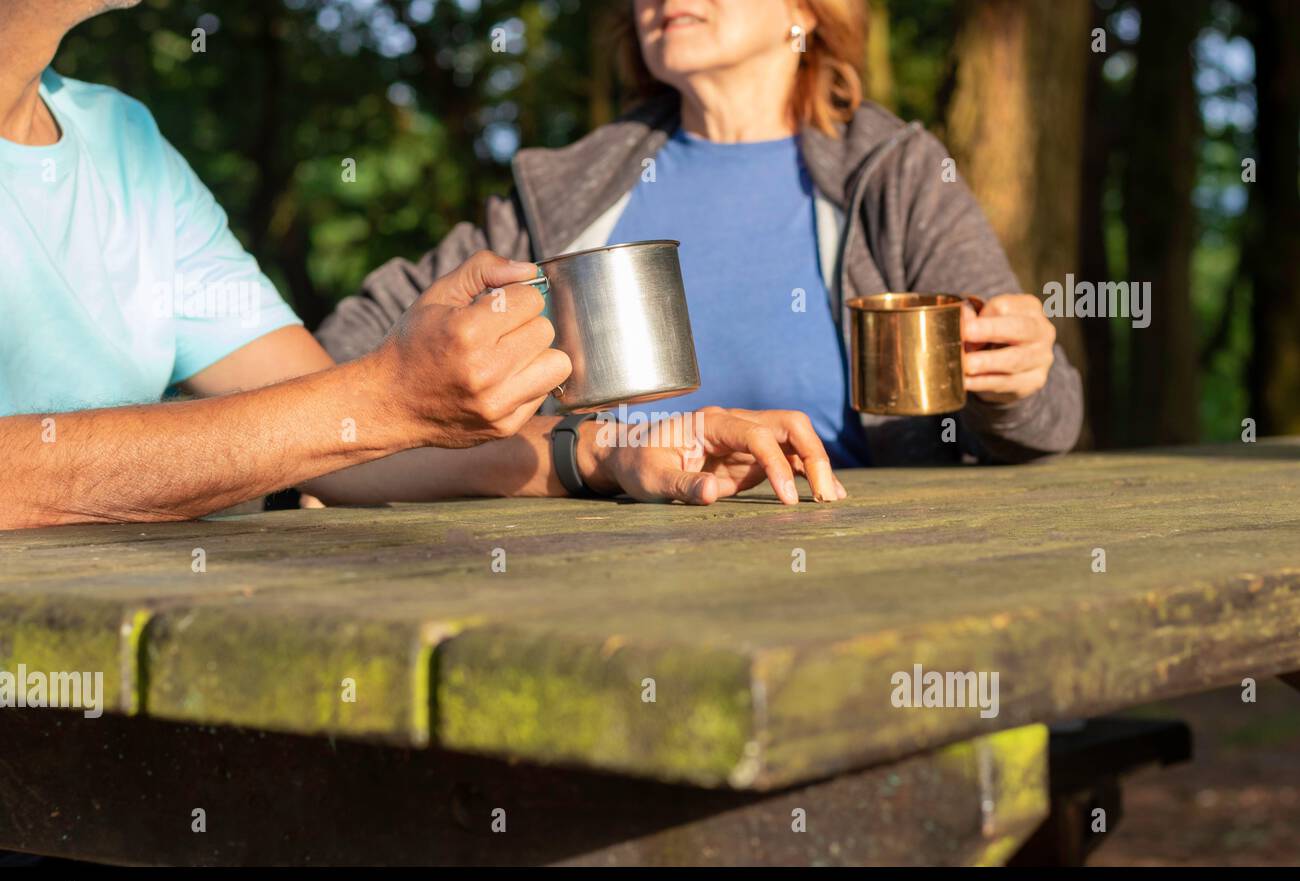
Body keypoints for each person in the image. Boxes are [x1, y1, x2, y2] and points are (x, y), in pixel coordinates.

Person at [0, 0, 844, 531]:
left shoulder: (122, 141)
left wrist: (604, 455)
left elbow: (337, 439)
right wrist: (381, 395)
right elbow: (351, 416)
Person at [319, 0, 1084, 467]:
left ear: (805, 10)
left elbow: (1049, 422)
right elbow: (350, 343)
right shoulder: (567, 187)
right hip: (581, 581)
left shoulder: (894, 175)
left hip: (855, 581)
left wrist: (1014, 385)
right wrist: (328, 460)